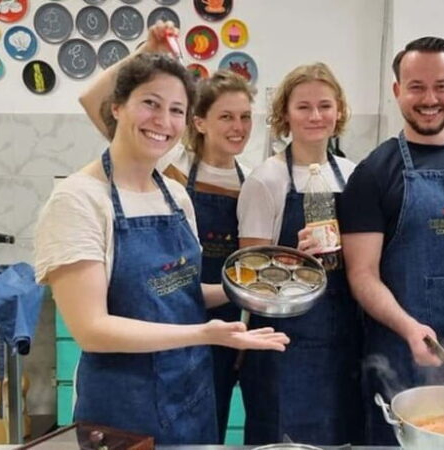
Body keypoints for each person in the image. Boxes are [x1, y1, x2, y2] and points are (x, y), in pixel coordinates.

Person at [34, 52, 289, 445]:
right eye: (150, 103)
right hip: (123, 409)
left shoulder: (174, 195)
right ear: (117, 107)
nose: (163, 121)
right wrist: (204, 334)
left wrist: (249, 291)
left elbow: (179, 293)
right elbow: (92, 330)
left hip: (191, 395)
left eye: (176, 110)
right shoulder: (79, 200)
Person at [78, 22, 255, 443]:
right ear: (199, 123)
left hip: (203, 330)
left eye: (246, 117)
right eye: (225, 116)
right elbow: (94, 101)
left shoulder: (233, 184)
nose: (237, 127)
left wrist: (253, 293)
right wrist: (146, 50)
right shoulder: (161, 164)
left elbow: (187, 285)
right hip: (138, 373)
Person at [339, 37, 444, 446]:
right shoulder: (373, 174)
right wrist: (410, 328)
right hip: (400, 354)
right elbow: (362, 276)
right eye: (416, 86)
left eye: (441, 86)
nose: (429, 98)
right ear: (397, 91)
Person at [236, 62, 363, 445]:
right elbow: (248, 274)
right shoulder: (266, 179)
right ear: (285, 115)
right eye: (303, 107)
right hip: (283, 343)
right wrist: (292, 260)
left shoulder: (354, 174)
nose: (315, 116)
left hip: (343, 339)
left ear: (339, 111)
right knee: (282, 438)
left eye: (325, 106)